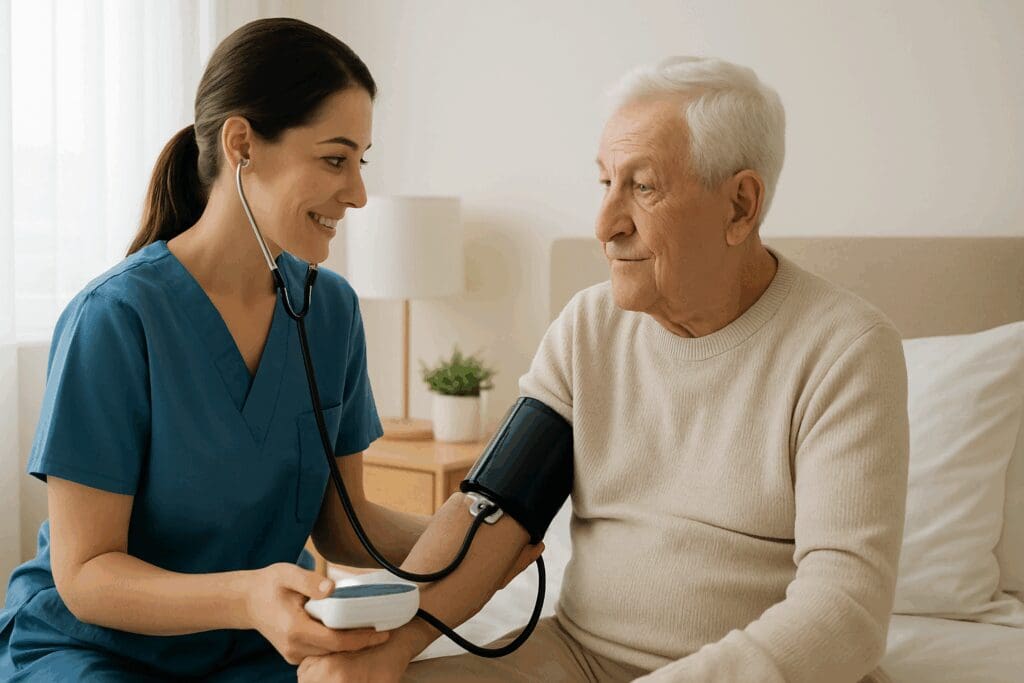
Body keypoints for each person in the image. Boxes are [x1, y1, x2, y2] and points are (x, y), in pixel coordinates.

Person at [300, 57, 907, 683]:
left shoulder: (845, 350)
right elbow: (493, 510)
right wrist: (393, 644)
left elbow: (846, 612)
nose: (605, 226)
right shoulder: (590, 327)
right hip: (579, 658)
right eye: (605, 183)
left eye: (643, 188)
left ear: (739, 206)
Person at [0, 17, 539, 681]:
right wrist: (246, 596)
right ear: (242, 145)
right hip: (95, 649)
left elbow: (344, 526)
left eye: (360, 162)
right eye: (335, 159)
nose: (359, 194)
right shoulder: (116, 319)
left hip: (252, 650)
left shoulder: (331, 310)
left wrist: (478, 542)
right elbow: (85, 574)